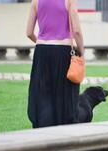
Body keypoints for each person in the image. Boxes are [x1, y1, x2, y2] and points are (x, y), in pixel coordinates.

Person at [26, 0, 84, 128]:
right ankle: (64, 131)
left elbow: (29, 32)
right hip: (63, 51)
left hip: (41, 52)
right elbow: (77, 31)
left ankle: (43, 130)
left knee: (43, 93)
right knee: (65, 94)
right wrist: (82, 51)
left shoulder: (35, 1)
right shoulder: (69, 1)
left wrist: (43, 43)